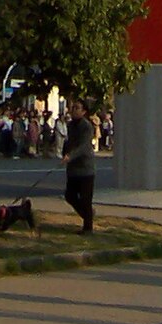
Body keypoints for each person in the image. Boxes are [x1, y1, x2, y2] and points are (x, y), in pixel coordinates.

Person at [62, 96, 96, 234]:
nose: (73, 110)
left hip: (85, 168)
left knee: (85, 198)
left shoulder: (86, 126)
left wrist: (71, 155)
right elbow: (69, 142)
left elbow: (83, 146)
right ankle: (87, 214)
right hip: (73, 169)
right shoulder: (70, 125)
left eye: (77, 108)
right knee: (70, 195)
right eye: (72, 107)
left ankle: (88, 227)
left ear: (84, 112)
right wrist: (65, 152)